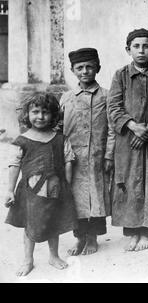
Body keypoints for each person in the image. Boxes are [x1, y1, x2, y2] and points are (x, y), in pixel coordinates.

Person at [108, 28, 148, 251]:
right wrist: (133, 126)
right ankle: (132, 230)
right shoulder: (120, 75)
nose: (141, 50)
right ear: (128, 49)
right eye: (136, 46)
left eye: (146, 46)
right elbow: (113, 106)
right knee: (129, 182)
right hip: (128, 139)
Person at [4, 93, 78, 276]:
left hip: (55, 189)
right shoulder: (23, 140)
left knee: (54, 222)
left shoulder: (60, 138)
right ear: (27, 114)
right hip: (30, 191)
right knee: (30, 224)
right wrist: (9, 191)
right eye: (35, 111)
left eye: (45, 112)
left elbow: (69, 160)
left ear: (53, 115)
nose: (40, 116)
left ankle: (54, 256)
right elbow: (14, 165)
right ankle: (28, 259)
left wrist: (67, 185)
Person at [60, 48, 115, 256]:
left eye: (89, 67)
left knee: (95, 198)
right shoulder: (66, 98)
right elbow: (59, 129)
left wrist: (109, 154)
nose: (85, 71)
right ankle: (79, 238)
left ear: (97, 68)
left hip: (97, 157)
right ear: (73, 70)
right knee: (75, 199)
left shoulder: (107, 96)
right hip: (72, 159)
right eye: (80, 67)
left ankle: (92, 238)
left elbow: (112, 129)